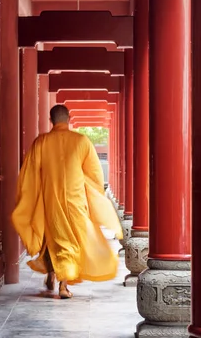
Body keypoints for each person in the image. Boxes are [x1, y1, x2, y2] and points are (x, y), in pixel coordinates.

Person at [12, 104, 122, 299]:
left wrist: (33, 196)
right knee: (70, 241)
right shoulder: (81, 141)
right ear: (69, 119)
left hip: (49, 200)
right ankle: (63, 285)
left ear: (51, 120)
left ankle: (52, 273)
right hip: (75, 201)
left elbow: (29, 174)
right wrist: (92, 194)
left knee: (51, 237)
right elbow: (95, 175)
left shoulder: (41, 142)